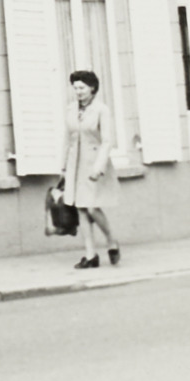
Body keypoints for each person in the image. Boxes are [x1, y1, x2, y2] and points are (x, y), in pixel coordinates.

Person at [60, 70, 121, 269]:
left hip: (94, 164)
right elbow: (67, 139)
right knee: (81, 208)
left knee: (92, 207)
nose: (78, 92)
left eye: (82, 88)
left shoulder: (101, 110)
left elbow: (107, 141)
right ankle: (90, 255)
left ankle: (111, 240)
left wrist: (99, 167)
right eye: (75, 88)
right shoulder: (70, 109)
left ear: (92, 88)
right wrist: (63, 166)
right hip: (75, 165)